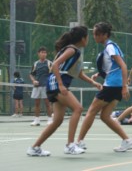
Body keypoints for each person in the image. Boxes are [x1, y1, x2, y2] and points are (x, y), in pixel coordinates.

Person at [26, 26, 102, 156]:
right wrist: (61, 84)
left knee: (57, 120)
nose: (88, 39)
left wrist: (93, 82)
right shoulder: (72, 50)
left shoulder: (75, 51)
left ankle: (34, 147)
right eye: (88, 36)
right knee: (78, 108)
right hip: (57, 83)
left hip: (54, 83)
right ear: (83, 38)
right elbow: (55, 65)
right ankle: (70, 145)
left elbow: (79, 74)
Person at [76, 22, 132, 152]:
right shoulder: (111, 47)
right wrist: (100, 73)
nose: (94, 36)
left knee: (91, 111)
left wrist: (124, 86)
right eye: (94, 34)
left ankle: (79, 142)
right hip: (116, 85)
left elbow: (123, 66)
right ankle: (127, 140)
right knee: (105, 116)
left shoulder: (110, 47)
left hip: (113, 85)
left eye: (97, 34)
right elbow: (114, 67)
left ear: (104, 35)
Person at [29, 46, 53, 126]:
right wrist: (33, 80)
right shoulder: (35, 64)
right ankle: (37, 120)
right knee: (36, 103)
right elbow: (31, 74)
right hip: (37, 86)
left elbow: (53, 74)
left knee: (47, 103)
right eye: (42, 52)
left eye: (45, 52)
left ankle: (50, 119)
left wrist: (49, 83)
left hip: (46, 86)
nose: (44, 54)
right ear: (38, 54)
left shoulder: (49, 63)